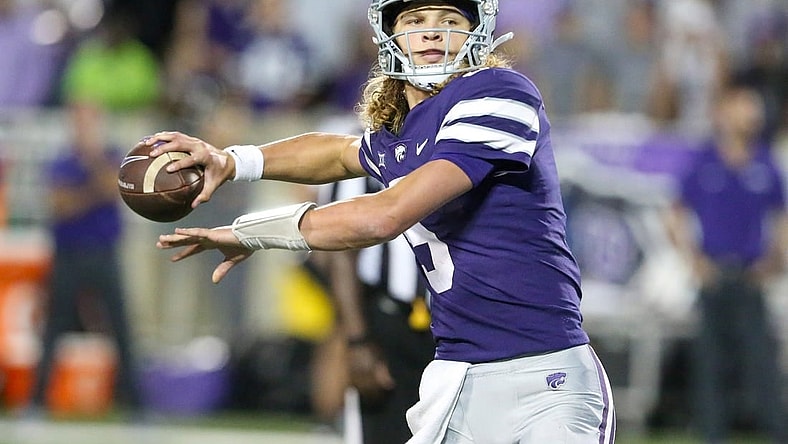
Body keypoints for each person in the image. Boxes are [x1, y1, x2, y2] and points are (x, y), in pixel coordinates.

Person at [146, 1, 616, 442]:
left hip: (544, 375)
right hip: (456, 376)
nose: (432, 31)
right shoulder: (402, 133)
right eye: (415, 20)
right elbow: (336, 152)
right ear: (388, 33)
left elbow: (382, 217)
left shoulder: (500, 94)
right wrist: (233, 161)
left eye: (449, 19)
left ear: (477, 31)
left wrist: (253, 231)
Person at [667, 81, 788, 443]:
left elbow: (781, 217)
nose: (753, 114)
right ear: (724, 112)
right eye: (744, 106)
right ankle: (712, 434)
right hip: (715, 275)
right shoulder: (705, 161)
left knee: (761, 363)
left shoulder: (764, 162)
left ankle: (777, 430)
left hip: (750, 276)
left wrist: (774, 260)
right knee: (710, 366)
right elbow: (674, 212)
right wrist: (694, 260)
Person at [26, 102, 143, 416]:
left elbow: (112, 189)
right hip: (69, 254)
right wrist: (92, 189)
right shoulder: (61, 161)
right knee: (54, 328)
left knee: (120, 329)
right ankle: (37, 402)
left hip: (104, 253)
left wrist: (86, 181)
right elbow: (61, 205)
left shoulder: (111, 157)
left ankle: (135, 404)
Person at [311, 176, 434, 444]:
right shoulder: (362, 153)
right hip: (389, 317)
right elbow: (337, 252)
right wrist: (357, 342)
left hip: (457, 321)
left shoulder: (458, 143)